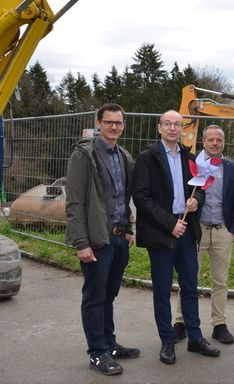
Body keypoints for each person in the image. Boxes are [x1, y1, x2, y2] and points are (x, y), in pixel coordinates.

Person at [133, 110, 220, 364]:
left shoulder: (188, 158)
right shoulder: (147, 158)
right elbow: (141, 197)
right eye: (168, 124)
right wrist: (170, 224)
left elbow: (201, 187)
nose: (173, 128)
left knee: (190, 287)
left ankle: (195, 337)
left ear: (182, 129)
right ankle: (167, 342)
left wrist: (196, 201)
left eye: (177, 124)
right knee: (162, 290)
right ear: (159, 128)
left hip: (187, 232)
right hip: (162, 232)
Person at [65, 103, 139, 376]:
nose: (113, 127)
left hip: (119, 238)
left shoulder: (123, 156)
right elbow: (74, 202)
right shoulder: (84, 156)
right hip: (97, 240)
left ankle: (109, 344)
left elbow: (123, 198)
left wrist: (128, 229)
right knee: (94, 298)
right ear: (99, 123)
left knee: (109, 295)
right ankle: (97, 353)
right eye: (108, 122)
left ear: (123, 125)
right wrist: (81, 243)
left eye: (118, 122)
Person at [173, 125, 234, 345]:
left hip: (223, 231)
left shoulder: (232, 168)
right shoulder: (191, 165)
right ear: (203, 141)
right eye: (211, 139)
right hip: (197, 231)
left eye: (219, 140)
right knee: (188, 278)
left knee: (220, 281)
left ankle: (219, 324)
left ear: (224, 142)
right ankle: (181, 322)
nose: (215, 143)